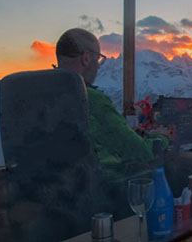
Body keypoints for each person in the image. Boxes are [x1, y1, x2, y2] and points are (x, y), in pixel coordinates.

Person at [55, 28, 168, 179]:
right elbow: (142, 153)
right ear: (86, 58)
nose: (99, 66)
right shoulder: (90, 99)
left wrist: (127, 134)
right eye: (98, 59)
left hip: (55, 189)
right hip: (102, 191)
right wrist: (161, 137)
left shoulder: (41, 92)